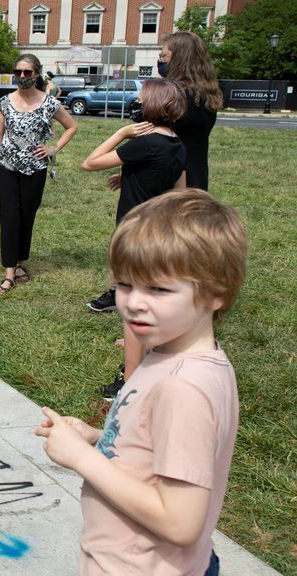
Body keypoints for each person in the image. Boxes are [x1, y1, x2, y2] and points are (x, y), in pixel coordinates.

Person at [34, 189, 248, 576]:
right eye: (124, 285)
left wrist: (80, 459)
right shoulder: (172, 354)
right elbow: (159, 448)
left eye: (158, 289)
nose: (133, 302)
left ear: (217, 293)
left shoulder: (183, 387)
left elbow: (180, 523)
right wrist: (99, 437)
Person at [81, 78, 189, 400]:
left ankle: (129, 380)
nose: (135, 103)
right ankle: (139, 343)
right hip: (158, 230)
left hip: (134, 232)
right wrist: (131, 174)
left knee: (132, 303)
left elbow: (89, 163)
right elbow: (179, 192)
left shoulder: (144, 142)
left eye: (140, 99)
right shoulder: (176, 143)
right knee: (149, 296)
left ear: (153, 105)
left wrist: (121, 134)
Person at [0, 54, 77, 294]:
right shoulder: (4, 102)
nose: (22, 77)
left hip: (35, 168)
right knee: (9, 216)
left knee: (27, 216)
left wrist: (54, 148)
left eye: (27, 72)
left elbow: (72, 126)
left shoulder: (49, 103)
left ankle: (19, 263)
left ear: (36, 74)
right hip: (6, 166)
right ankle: (8, 273)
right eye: (18, 72)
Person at [159, 31, 222, 191]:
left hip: (171, 181)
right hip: (197, 178)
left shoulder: (175, 95)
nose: (160, 61)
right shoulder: (206, 93)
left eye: (164, 56)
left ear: (179, 60)